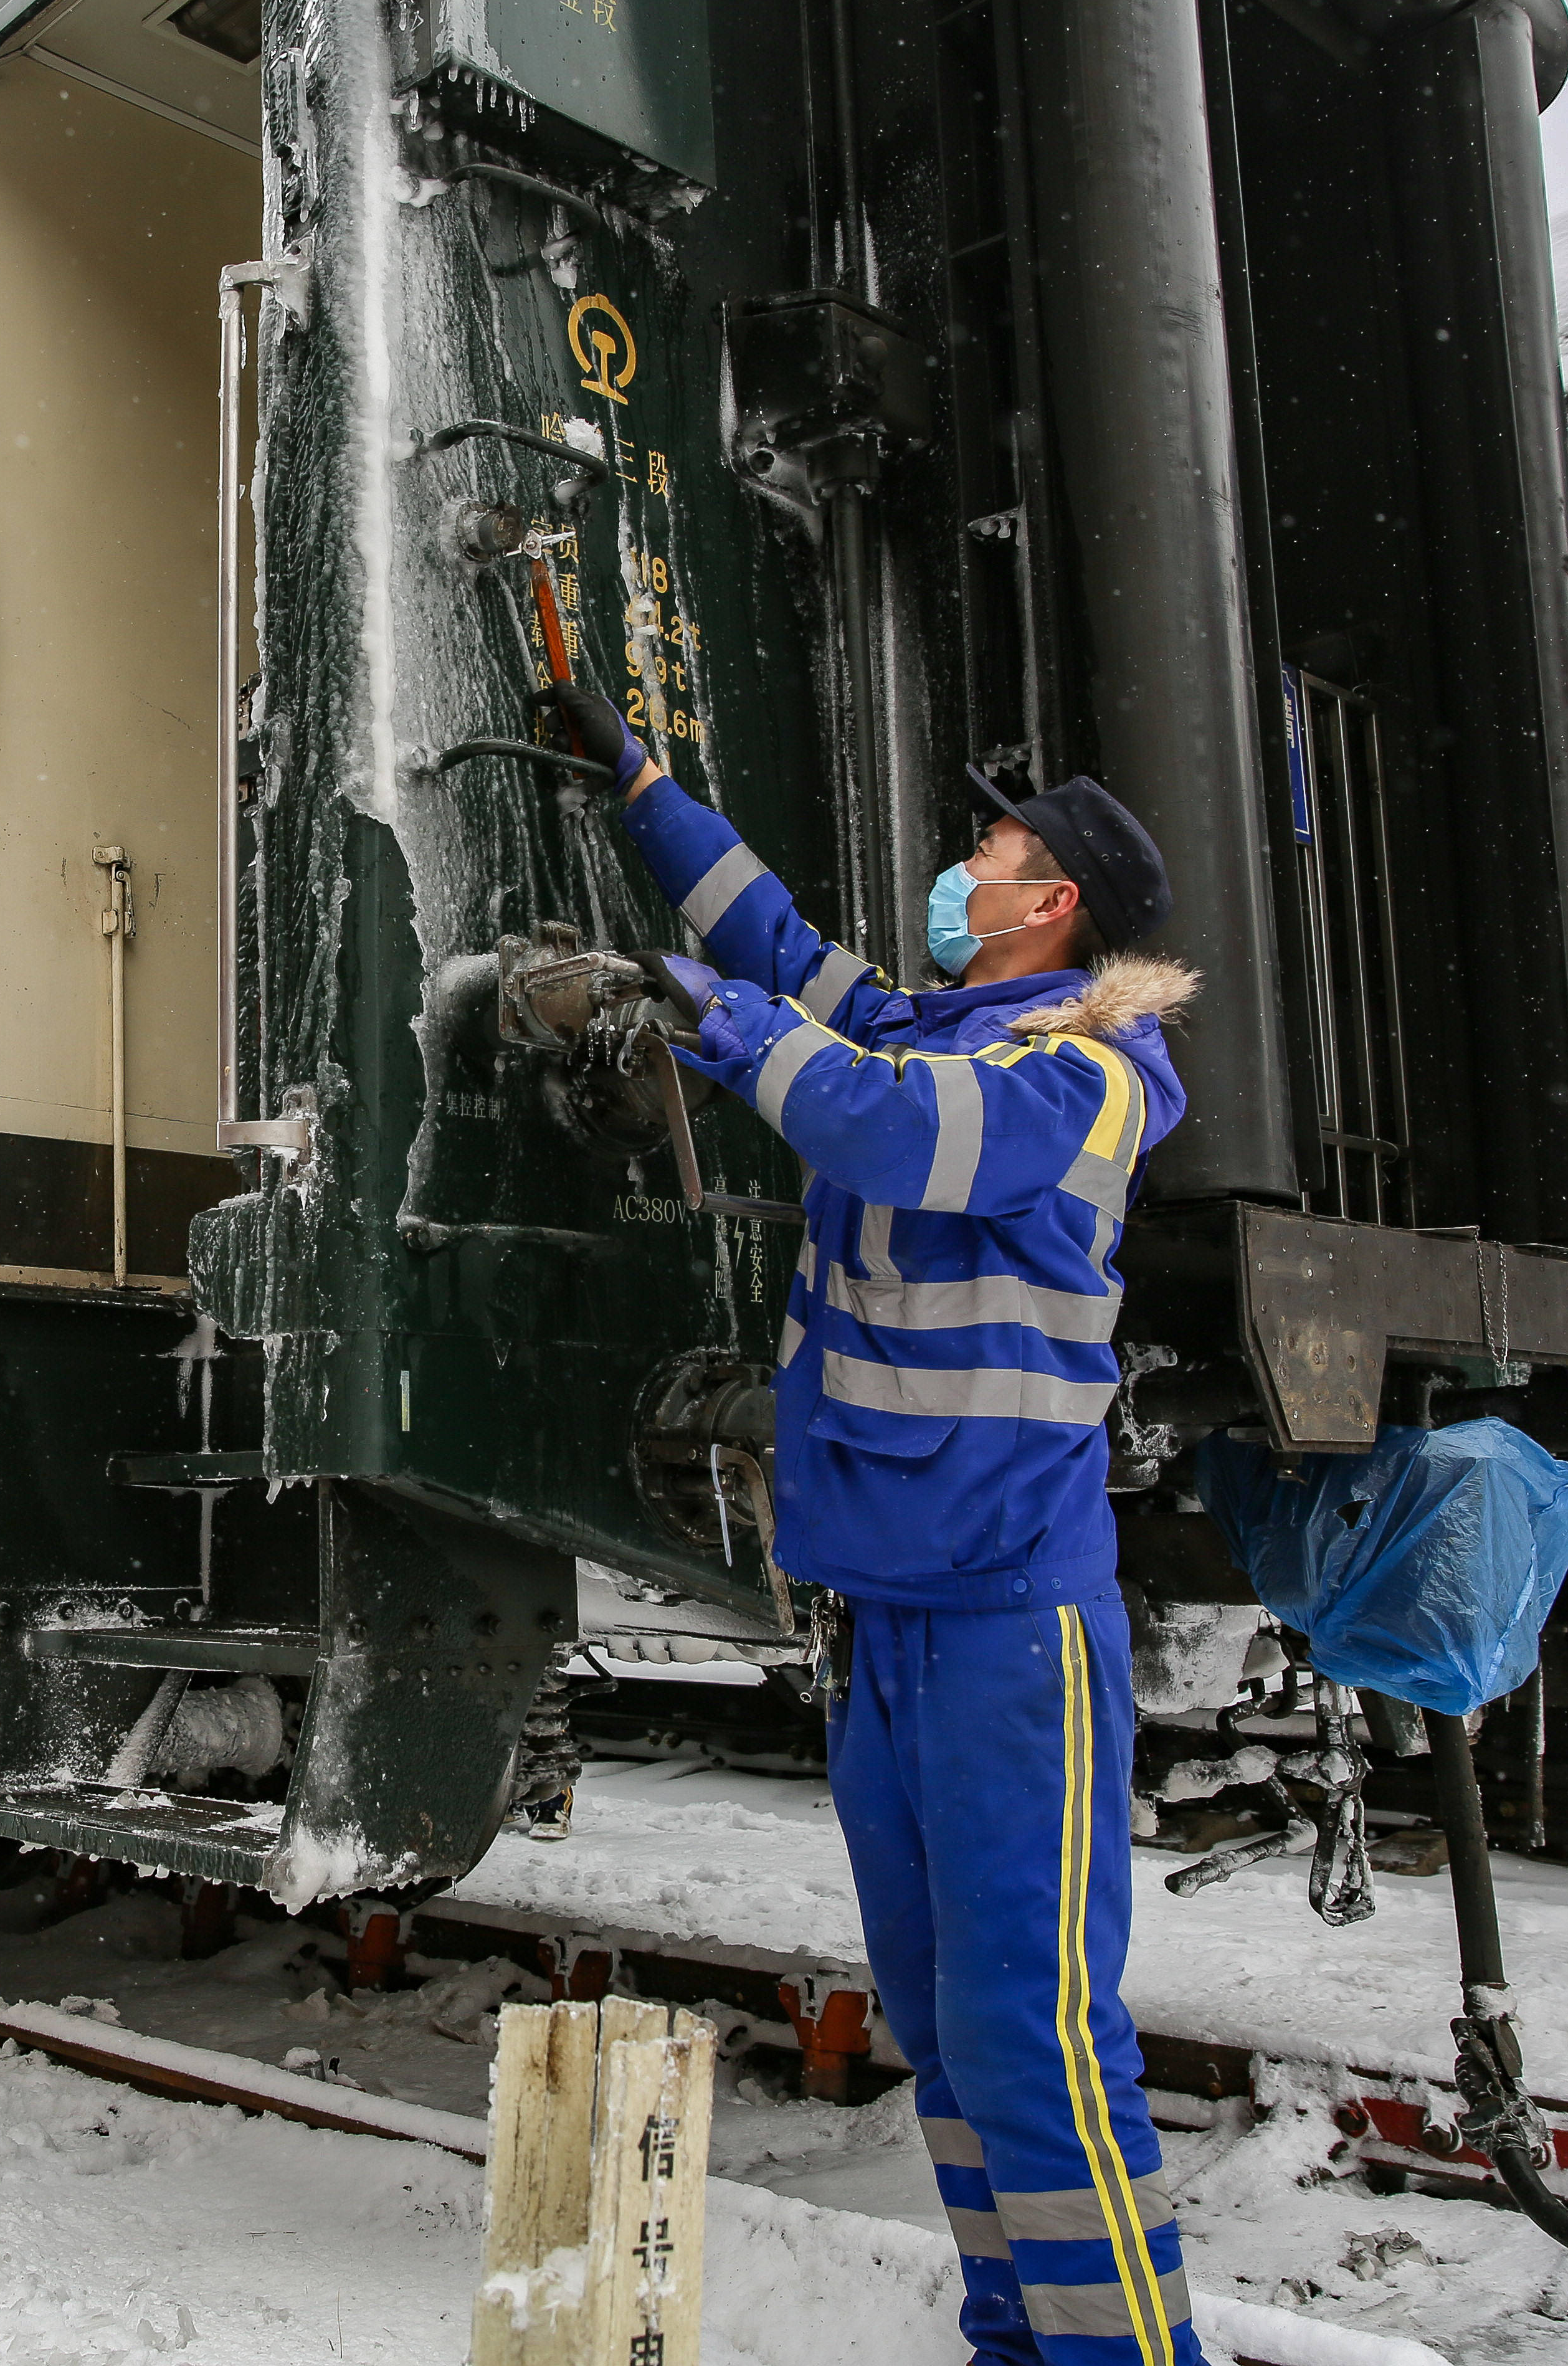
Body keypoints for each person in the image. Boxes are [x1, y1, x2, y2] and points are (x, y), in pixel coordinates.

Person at [555, 678, 1208, 2366]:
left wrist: (719, 1019)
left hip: (1006, 1618)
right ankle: (1020, 2335)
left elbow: (887, 1133)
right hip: (888, 1615)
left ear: (1048, 898)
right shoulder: (939, 1023)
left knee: (1033, 2031)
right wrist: (641, 792)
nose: (960, 866)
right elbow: (780, 944)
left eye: (989, 849)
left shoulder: (1089, 1071)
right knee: (939, 2021)